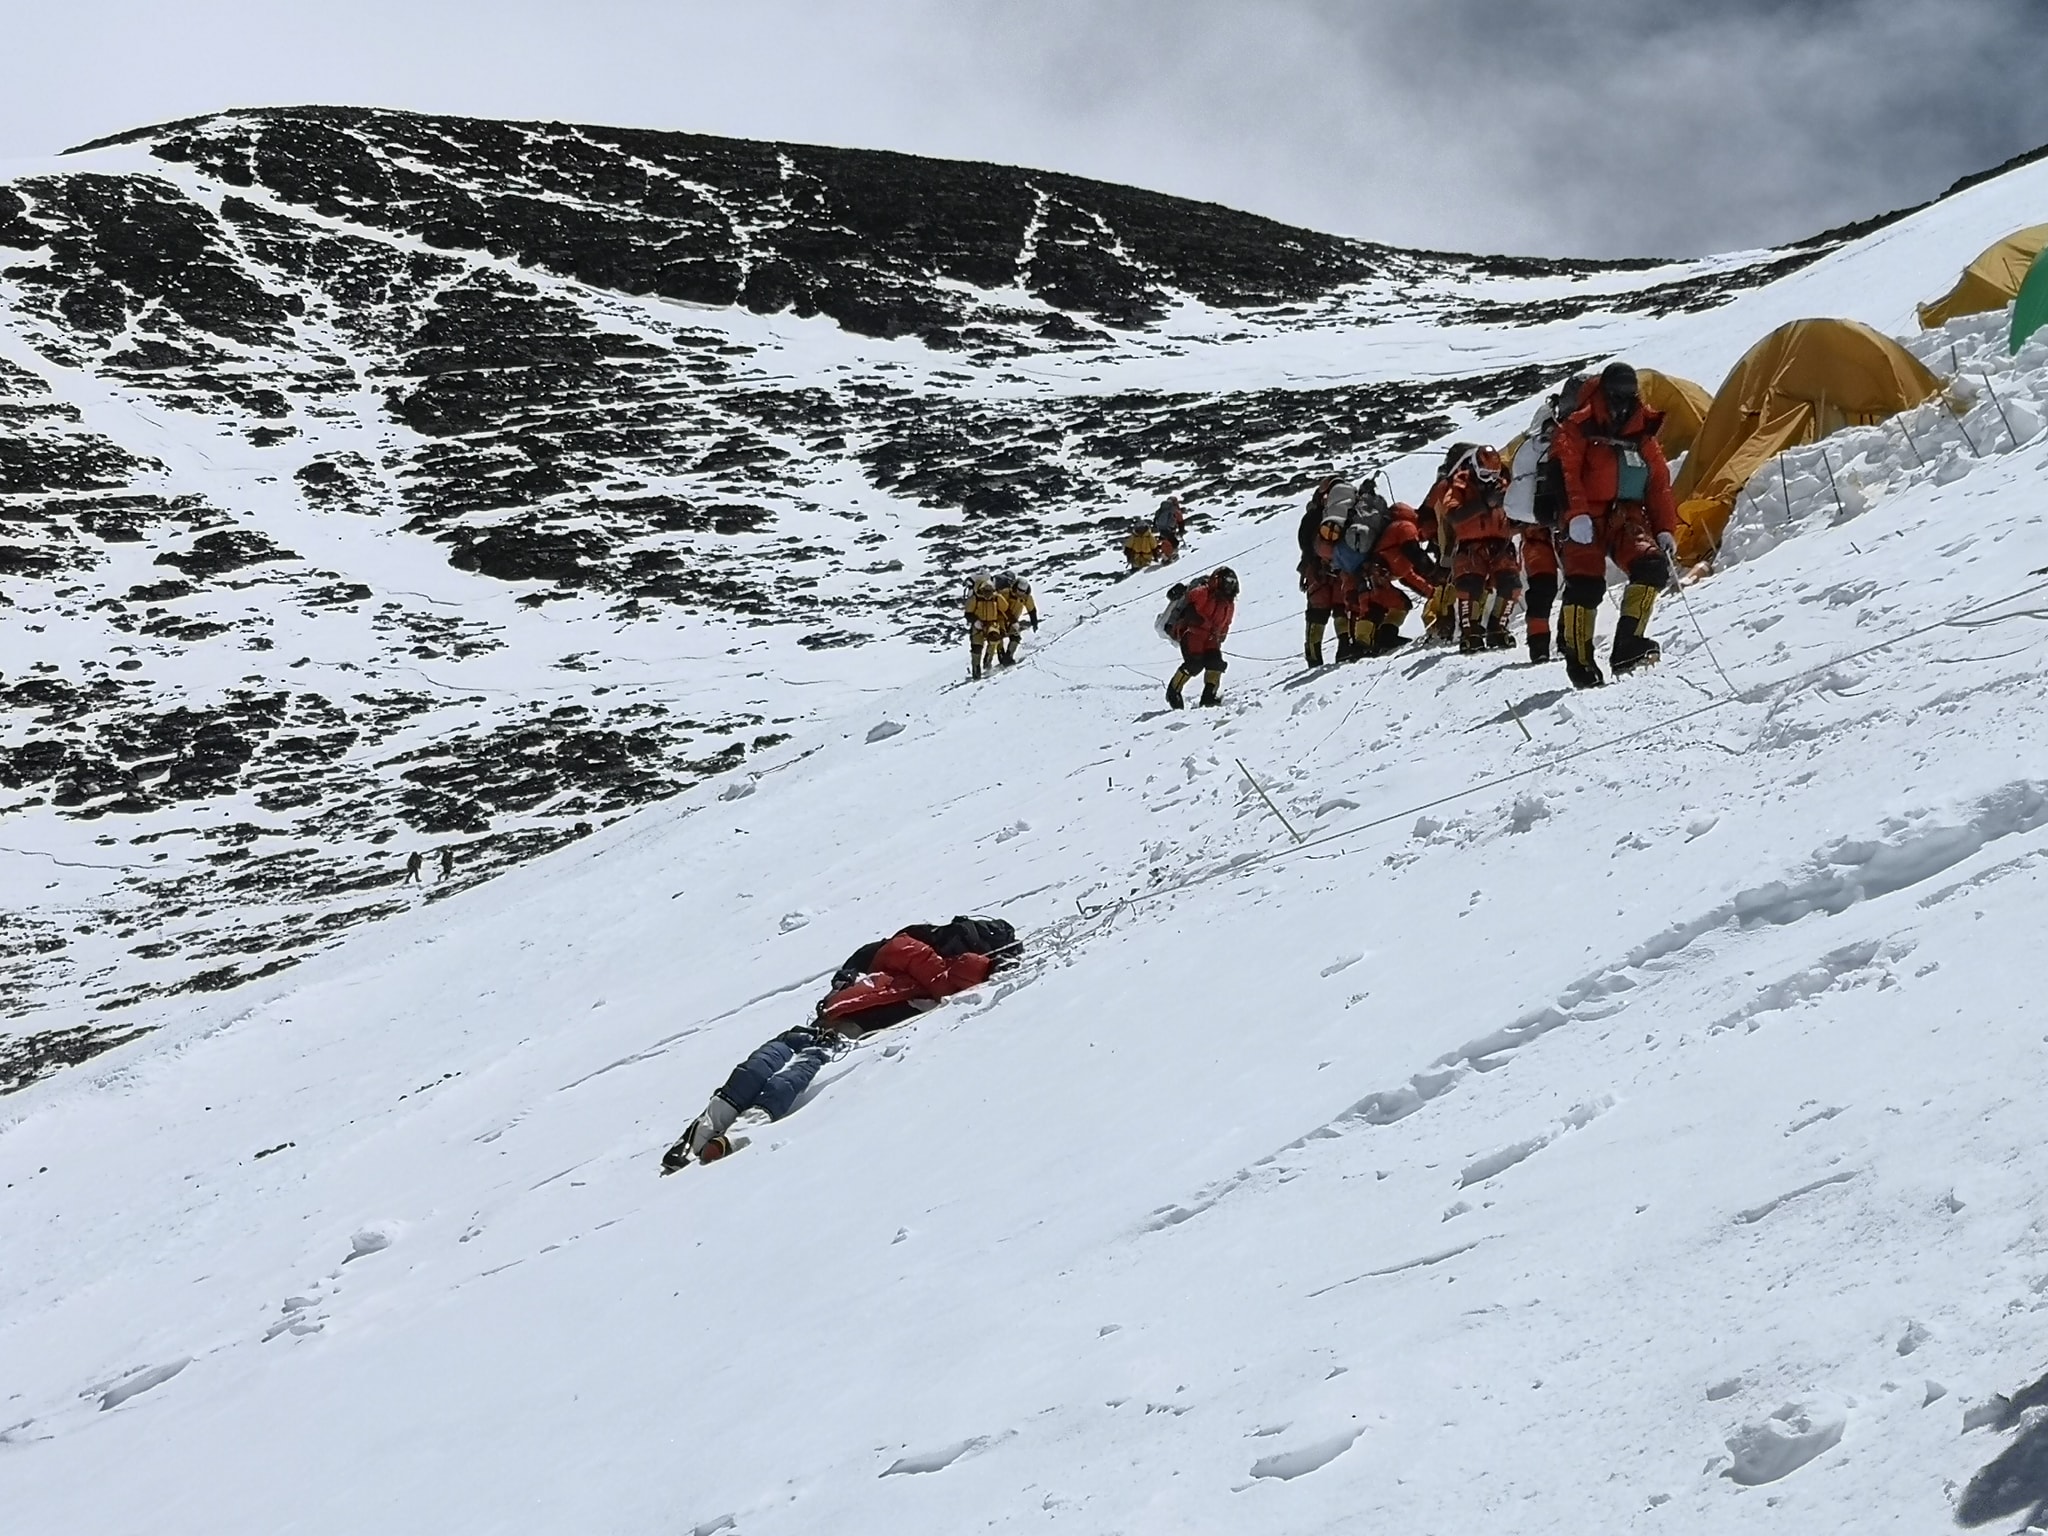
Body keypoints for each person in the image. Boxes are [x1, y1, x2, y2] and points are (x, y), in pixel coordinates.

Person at [662, 916, 1021, 1169]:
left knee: (768, 1057)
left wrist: (843, 981)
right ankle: (751, 1120)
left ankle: (709, 1123)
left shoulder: (904, 947)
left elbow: (867, 956)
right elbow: (951, 983)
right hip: (852, 1026)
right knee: (802, 1068)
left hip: (831, 1014)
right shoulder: (940, 965)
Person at [1549, 362, 1678, 688]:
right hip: (1584, 517)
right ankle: (1579, 662)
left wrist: (1664, 529)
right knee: (1585, 584)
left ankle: (1628, 644)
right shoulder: (1578, 426)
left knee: (1651, 566)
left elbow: (1658, 483)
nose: (1623, 401)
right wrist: (1575, 514)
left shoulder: (1641, 430)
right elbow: (1567, 471)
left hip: (1627, 515)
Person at [1505, 374, 1589, 664]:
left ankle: (1538, 648)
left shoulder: (1535, 442)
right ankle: (1567, 641)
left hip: (1535, 532)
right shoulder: (1577, 437)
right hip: (1565, 525)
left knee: (1542, 589)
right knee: (1576, 583)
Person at [1434, 445, 1519, 653]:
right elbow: (1453, 515)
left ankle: (1497, 627)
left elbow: (1514, 512)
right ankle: (1470, 632)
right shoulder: (1459, 484)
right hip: (1470, 546)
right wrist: (1484, 504)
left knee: (1512, 586)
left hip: (1501, 544)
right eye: (1484, 474)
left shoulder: (1502, 485)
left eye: (1493, 474)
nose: (1489, 479)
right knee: (1469, 588)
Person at [1348, 492, 1443, 656]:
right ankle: (1362, 645)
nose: (1430, 537)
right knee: (1373, 608)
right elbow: (1416, 556)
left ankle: (1383, 638)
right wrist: (1436, 574)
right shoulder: (1407, 528)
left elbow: (1408, 576)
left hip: (1372, 576)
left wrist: (1433, 591)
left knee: (1400, 604)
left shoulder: (1398, 535)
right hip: (1373, 576)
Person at [1162, 565, 1239, 709]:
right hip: (1192, 633)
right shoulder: (1204, 592)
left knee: (1215, 663)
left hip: (1212, 638)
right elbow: (1189, 598)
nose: (1230, 585)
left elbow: (1226, 623)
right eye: (1227, 581)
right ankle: (1173, 691)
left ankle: (1209, 696)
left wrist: (1221, 636)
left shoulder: (1229, 604)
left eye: (1232, 582)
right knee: (1194, 664)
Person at [1297, 477, 1354, 667]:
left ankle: (1313, 657)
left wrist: (1307, 568)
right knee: (1341, 608)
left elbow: (1304, 543)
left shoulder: (1312, 516)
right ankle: (1345, 648)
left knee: (1317, 613)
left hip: (1316, 570)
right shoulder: (1347, 511)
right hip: (1340, 567)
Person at [963, 575, 1006, 680]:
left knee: (994, 639)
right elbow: (968, 613)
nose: (988, 594)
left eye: (990, 591)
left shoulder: (997, 598)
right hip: (978, 625)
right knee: (976, 648)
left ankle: (988, 660)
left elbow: (1004, 609)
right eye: (985, 591)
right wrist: (975, 621)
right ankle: (976, 670)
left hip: (992, 623)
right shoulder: (974, 599)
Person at [994, 571, 1039, 665]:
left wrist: (1034, 622)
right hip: (1001, 618)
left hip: (1014, 620)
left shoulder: (1026, 597)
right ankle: (1001, 655)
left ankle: (1008, 657)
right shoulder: (1006, 593)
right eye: (1019, 590)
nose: (1020, 593)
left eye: (1023, 591)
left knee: (1016, 636)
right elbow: (1001, 606)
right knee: (999, 636)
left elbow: (1031, 609)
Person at [1151, 497, 1186, 563]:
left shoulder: (1161, 509)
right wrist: (1181, 530)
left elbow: (1155, 519)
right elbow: (1180, 520)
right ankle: (1169, 556)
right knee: (1173, 542)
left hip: (1161, 528)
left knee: (1165, 541)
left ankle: (1164, 555)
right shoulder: (1174, 510)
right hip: (1170, 528)